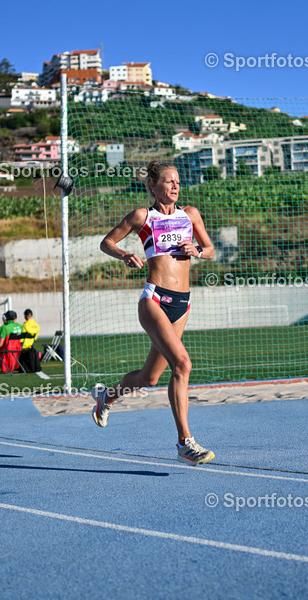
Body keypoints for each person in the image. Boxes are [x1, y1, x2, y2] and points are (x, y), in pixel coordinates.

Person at [93, 161, 216, 465]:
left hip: (183, 303)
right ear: (153, 186)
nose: (175, 186)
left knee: (149, 378)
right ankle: (185, 443)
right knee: (183, 364)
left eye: (178, 182)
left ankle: (107, 396)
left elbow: (210, 249)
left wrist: (198, 251)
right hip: (155, 300)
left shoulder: (191, 214)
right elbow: (106, 242)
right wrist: (124, 254)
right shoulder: (142, 217)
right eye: (169, 181)